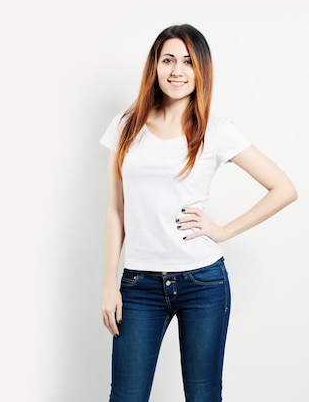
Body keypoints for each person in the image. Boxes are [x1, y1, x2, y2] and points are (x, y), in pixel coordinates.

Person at [98, 24, 297, 402]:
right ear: (154, 66)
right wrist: (110, 285)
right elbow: (115, 210)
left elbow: (284, 189)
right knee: (126, 396)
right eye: (168, 59)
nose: (177, 70)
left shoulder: (216, 130)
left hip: (203, 283)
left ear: (201, 70)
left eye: (188, 61)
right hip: (139, 286)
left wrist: (223, 230)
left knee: (203, 396)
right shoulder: (126, 126)